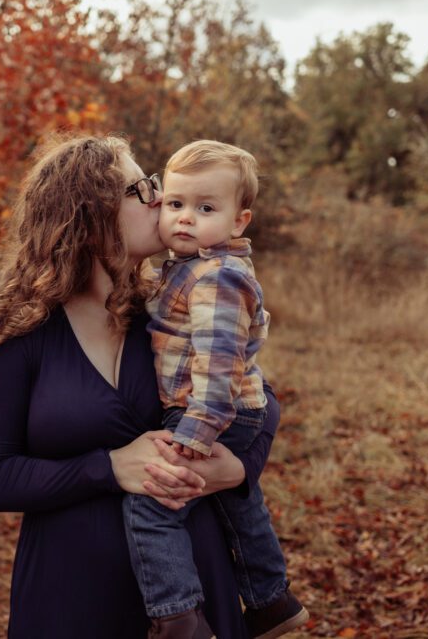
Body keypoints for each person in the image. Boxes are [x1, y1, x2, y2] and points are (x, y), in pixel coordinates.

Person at [0, 134, 282, 638]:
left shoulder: (165, 310)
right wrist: (109, 468)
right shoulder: (22, 331)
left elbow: (261, 400)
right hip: (71, 594)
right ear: (89, 215)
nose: (159, 199)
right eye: (141, 188)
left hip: (191, 596)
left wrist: (240, 469)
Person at [123, 140, 308, 638]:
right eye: (176, 204)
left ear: (239, 221)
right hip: (228, 408)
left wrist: (195, 431)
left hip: (210, 409)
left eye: (205, 208)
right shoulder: (186, 267)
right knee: (236, 502)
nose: (184, 218)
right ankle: (272, 601)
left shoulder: (218, 278)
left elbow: (220, 365)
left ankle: (178, 617)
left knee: (152, 501)